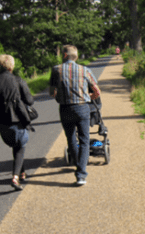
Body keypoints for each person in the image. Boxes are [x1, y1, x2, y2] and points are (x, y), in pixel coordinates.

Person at [49, 44, 101, 186]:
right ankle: (81, 174)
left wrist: (59, 95)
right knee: (84, 140)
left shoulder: (56, 70)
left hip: (65, 109)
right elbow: (97, 91)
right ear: (76, 56)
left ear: (65, 55)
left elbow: (51, 92)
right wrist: (89, 95)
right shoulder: (85, 70)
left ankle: (77, 163)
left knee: (71, 139)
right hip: (82, 108)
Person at [0, 54, 35, 191]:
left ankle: (22, 173)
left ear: (0, 66)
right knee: (20, 145)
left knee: (16, 145)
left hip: (1, 123)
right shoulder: (18, 80)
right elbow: (30, 101)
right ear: (12, 66)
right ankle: (15, 178)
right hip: (18, 120)